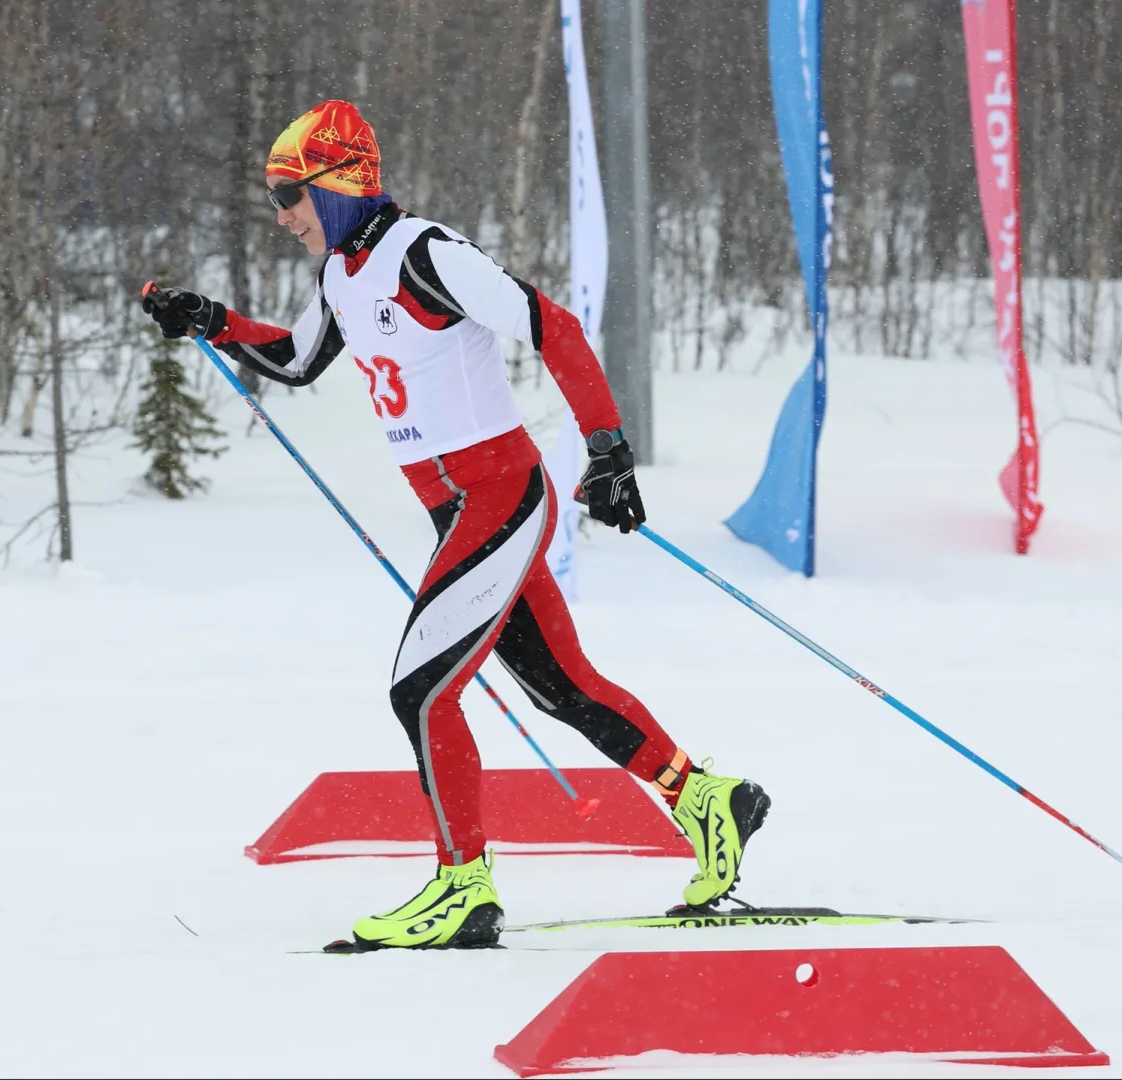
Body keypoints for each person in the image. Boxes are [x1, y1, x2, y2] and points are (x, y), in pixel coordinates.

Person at [141, 100, 769, 951]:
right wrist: (211, 320)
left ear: (335, 184)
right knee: (562, 686)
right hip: (459, 515)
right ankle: (705, 798)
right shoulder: (340, 275)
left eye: (289, 194)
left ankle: (463, 888)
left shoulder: (424, 254)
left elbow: (554, 325)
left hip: (501, 499)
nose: (282, 215)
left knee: (421, 688)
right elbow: (294, 360)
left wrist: (609, 451)